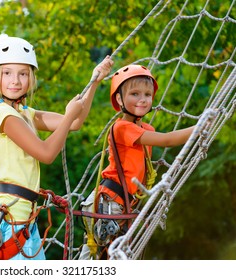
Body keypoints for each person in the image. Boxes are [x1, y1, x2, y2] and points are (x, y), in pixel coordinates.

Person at [0, 35, 114, 260]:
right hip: (8, 222)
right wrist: (69, 114)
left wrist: (94, 82)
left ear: (31, 78)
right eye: (7, 73)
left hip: (24, 219)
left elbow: (74, 122)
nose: (15, 80)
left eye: (23, 73)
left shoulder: (25, 114)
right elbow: (46, 153)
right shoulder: (2, 114)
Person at [79, 64, 195, 259]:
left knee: (104, 256)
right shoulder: (122, 128)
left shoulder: (146, 129)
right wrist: (200, 127)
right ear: (119, 99)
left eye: (147, 95)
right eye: (134, 94)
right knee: (104, 257)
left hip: (122, 202)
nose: (142, 99)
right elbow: (167, 140)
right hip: (110, 202)